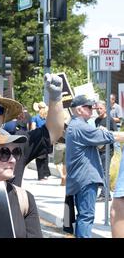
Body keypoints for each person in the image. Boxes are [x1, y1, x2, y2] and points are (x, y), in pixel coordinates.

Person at [65, 95, 124, 238]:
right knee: (86, 217)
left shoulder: (74, 125)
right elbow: (110, 137)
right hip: (86, 178)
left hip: (79, 177)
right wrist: (104, 132)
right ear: (79, 110)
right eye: (89, 107)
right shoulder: (81, 126)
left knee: (82, 216)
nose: (93, 110)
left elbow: (99, 141)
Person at [94, 100, 116, 201]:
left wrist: (106, 131)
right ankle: (104, 193)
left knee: (104, 171)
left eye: (100, 108)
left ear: (105, 108)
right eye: (97, 108)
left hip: (108, 150)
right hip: (99, 149)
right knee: (100, 171)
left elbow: (115, 134)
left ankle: (105, 194)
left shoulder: (110, 120)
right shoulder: (96, 120)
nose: (99, 110)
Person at [31, 101, 51, 181]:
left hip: (39, 138)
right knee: (45, 156)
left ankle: (41, 176)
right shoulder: (47, 117)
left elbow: (33, 128)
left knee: (39, 157)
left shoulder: (35, 117)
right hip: (47, 138)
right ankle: (46, 174)